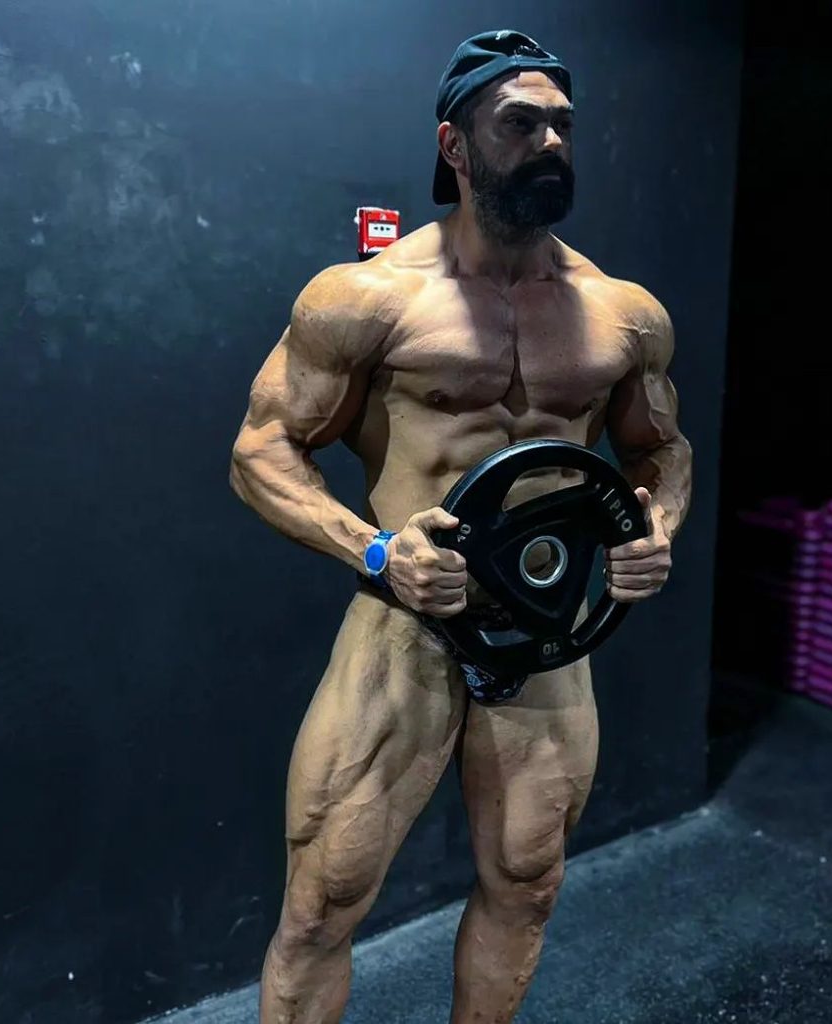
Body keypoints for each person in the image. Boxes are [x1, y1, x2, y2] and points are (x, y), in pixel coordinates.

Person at [230, 29, 693, 1024]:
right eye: (520, 123)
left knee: (527, 884)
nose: (550, 143)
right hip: (407, 626)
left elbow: (663, 451)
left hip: (544, 634)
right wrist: (375, 551)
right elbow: (260, 453)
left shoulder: (622, 313)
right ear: (455, 145)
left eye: (562, 124)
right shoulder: (367, 298)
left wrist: (653, 529)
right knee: (321, 905)